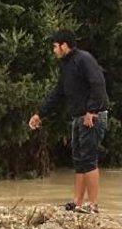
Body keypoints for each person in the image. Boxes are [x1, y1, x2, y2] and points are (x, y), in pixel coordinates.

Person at [28, 30, 108, 214]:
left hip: (92, 117)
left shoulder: (84, 59)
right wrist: (39, 114)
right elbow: (58, 93)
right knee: (79, 161)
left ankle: (93, 205)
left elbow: (98, 83)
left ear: (64, 45)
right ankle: (77, 203)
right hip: (78, 118)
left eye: (55, 46)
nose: (53, 50)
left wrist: (92, 111)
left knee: (89, 160)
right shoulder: (65, 65)